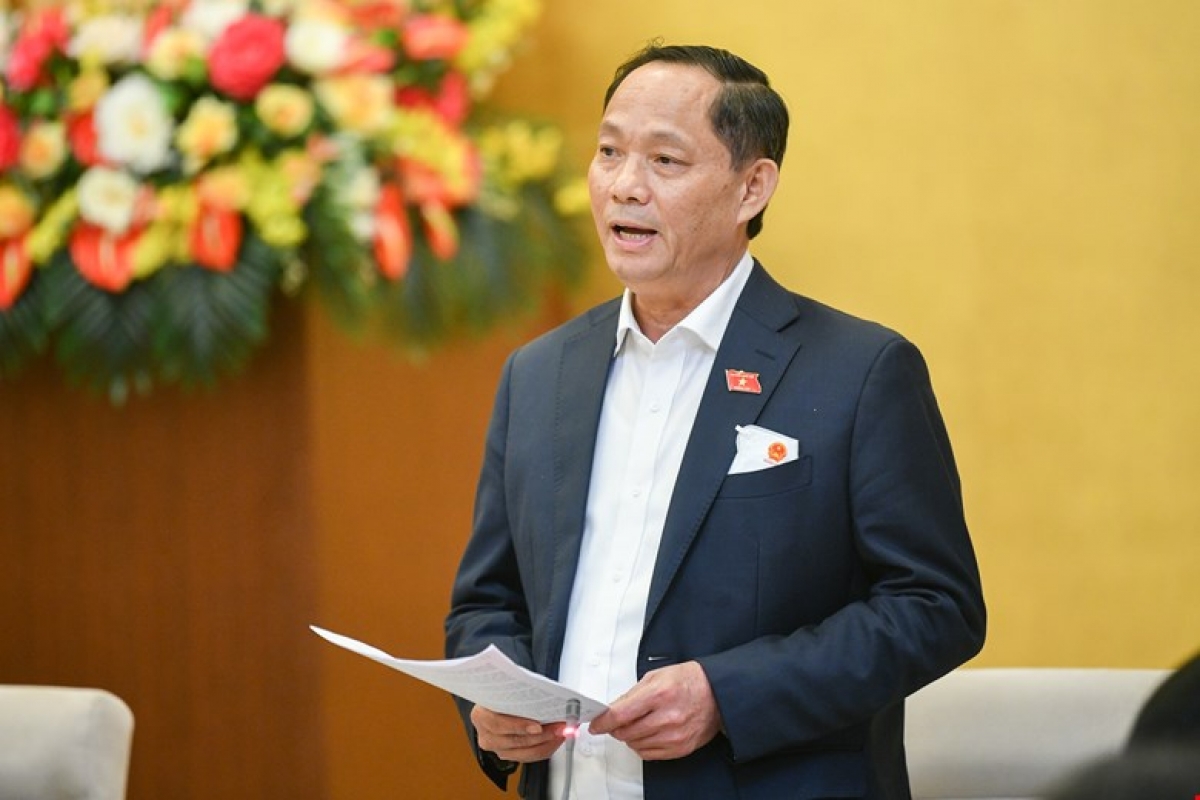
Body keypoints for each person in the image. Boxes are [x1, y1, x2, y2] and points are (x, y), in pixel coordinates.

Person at [444, 42, 986, 800]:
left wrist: (728, 695)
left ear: (751, 188)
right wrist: (492, 704)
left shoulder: (858, 371)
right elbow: (488, 601)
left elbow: (936, 607)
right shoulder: (539, 374)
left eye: (665, 161)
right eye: (609, 152)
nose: (624, 186)